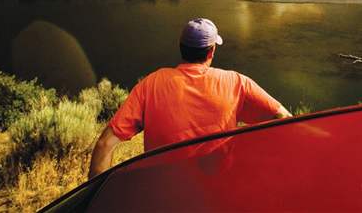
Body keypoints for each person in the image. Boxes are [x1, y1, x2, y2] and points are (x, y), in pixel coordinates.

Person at [88, 18, 291, 178]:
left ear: (181, 47)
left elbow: (105, 144)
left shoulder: (151, 84)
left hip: (164, 193)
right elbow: (285, 120)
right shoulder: (236, 82)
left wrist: (96, 201)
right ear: (211, 51)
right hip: (218, 191)